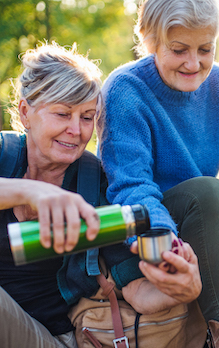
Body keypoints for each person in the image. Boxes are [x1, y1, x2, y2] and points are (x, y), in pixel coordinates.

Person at [97, 0, 219, 346]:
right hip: (145, 236)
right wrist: (166, 244)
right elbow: (132, 189)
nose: (194, 63)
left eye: (206, 48)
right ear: (151, 43)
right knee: (212, 193)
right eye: (179, 50)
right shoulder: (125, 92)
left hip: (199, 227)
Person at [0, 41, 201, 348]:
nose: (76, 130)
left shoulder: (95, 182)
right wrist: (31, 190)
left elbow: (136, 290)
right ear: (26, 113)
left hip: (52, 337)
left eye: (86, 117)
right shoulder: (4, 153)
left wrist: (181, 290)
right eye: (62, 114)